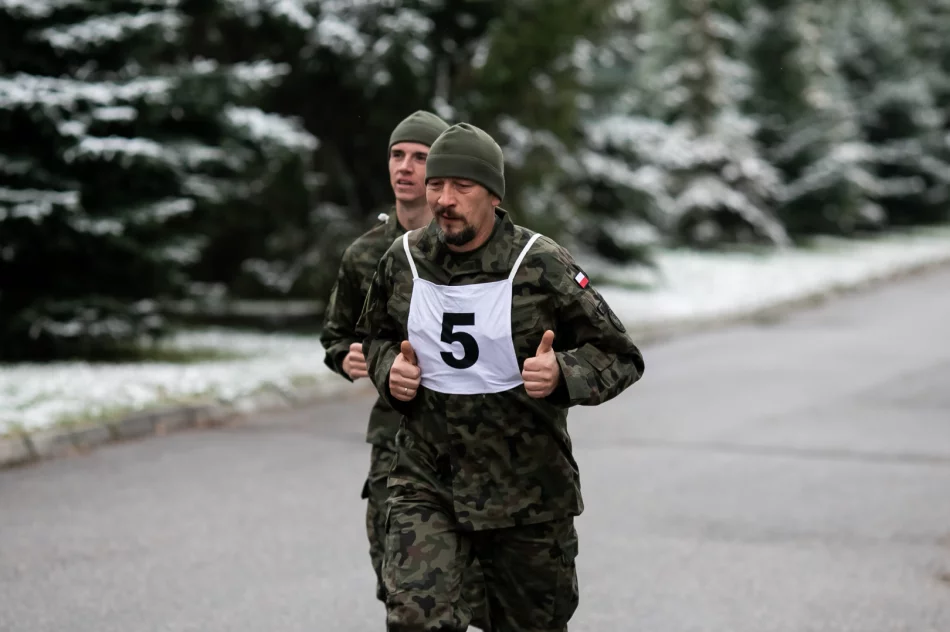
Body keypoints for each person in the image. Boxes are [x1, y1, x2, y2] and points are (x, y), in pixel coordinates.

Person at [357, 122, 645, 631]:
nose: (444, 200)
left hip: (526, 495)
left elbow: (621, 355)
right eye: (436, 185)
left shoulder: (541, 264)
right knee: (417, 620)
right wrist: (389, 369)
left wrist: (563, 373)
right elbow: (373, 336)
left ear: (492, 194)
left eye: (461, 187)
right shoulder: (402, 261)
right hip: (429, 481)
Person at [319, 111, 492, 629]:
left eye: (421, 157)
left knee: (487, 596)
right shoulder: (367, 254)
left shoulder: (482, 246)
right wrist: (347, 357)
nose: (407, 167)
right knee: (405, 591)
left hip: (478, 444)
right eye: (398, 155)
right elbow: (338, 334)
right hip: (396, 441)